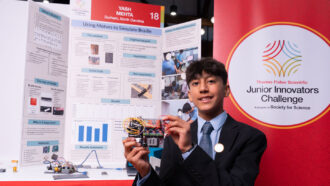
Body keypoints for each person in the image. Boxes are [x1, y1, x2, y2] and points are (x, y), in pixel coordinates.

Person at [123, 58, 267, 186]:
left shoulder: (250, 138)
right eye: (196, 83)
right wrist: (145, 171)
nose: (203, 89)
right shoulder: (174, 138)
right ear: (190, 96)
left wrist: (189, 150)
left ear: (226, 90)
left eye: (211, 81)